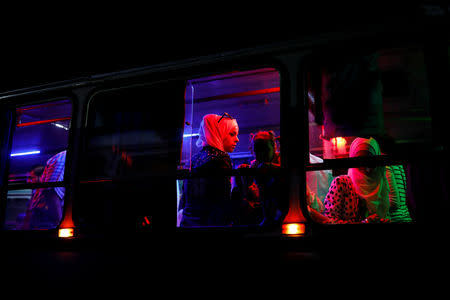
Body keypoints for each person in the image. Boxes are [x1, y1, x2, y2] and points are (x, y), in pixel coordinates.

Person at [179, 113, 239, 227]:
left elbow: (185, 199)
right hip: (209, 225)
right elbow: (222, 203)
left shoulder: (193, 159)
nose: (237, 139)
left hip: (188, 224)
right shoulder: (221, 159)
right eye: (232, 134)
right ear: (219, 134)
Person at [322, 137, 390, 223]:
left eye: (371, 162)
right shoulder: (342, 183)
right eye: (360, 162)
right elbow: (329, 220)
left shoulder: (381, 180)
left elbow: (386, 214)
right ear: (353, 160)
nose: (367, 169)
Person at [23, 150, 66, 229]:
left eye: (31, 178)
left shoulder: (45, 192)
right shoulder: (35, 193)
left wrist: (60, 225)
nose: (28, 181)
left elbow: (52, 196)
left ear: (41, 177)